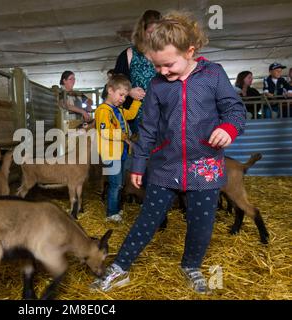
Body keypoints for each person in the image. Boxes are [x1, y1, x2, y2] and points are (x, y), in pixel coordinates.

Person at [91, 12, 246, 295]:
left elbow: (235, 110)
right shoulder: (158, 85)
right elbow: (148, 129)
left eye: (169, 64)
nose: (162, 71)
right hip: (166, 165)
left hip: (205, 164)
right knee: (147, 218)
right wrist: (138, 165)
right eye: (157, 65)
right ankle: (121, 266)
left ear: (190, 51)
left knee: (201, 223)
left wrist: (229, 128)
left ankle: (191, 265)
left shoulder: (213, 75)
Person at [95, 74, 141, 222]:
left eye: (125, 96)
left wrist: (136, 100)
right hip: (110, 153)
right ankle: (111, 213)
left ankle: (115, 209)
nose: (122, 99)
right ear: (110, 90)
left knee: (119, 183)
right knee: (115, 184)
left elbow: (131, 114)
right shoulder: (103, 110)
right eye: (121, 95)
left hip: (120, 152)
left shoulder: (119, 110)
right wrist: (124, 137)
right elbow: (105, 131)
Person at [114, 10, 162, 135]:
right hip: (138, 117)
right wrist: (129, 91)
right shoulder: (129, 54)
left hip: (165, 115)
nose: (154, 37)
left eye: (158, 33)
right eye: (150, 32)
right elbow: (115, 84)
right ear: (142, 32)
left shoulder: (166, 53)